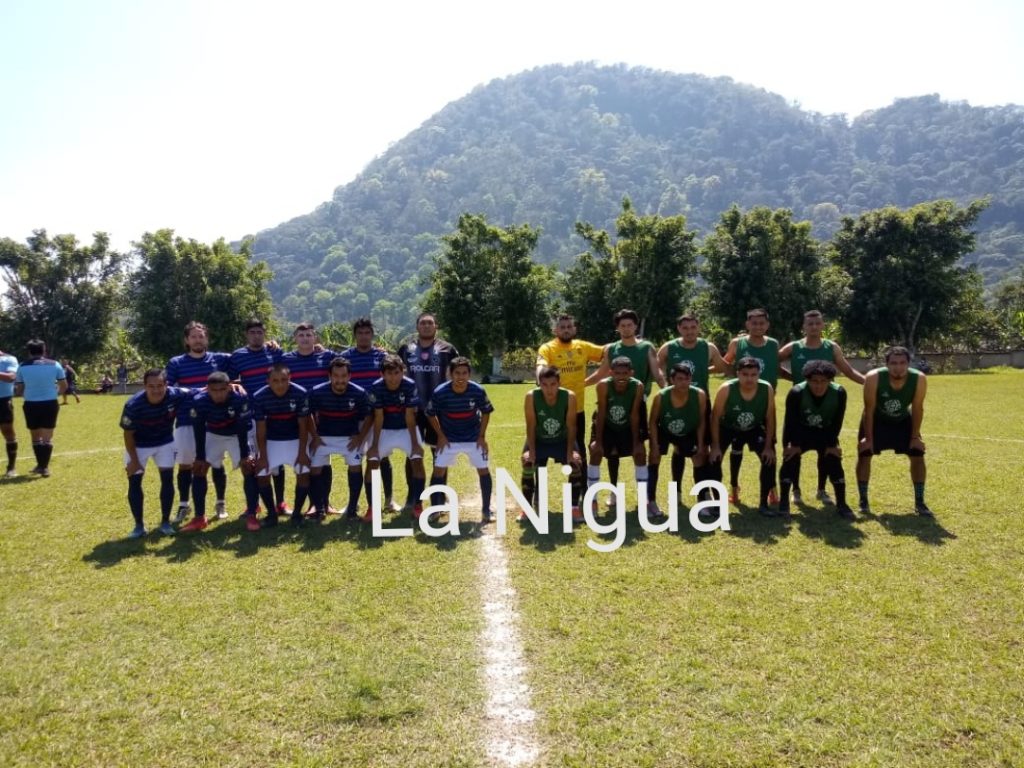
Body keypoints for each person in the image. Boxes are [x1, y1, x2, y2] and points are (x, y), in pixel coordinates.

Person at [779, 309, 865, 504]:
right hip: (800, 404)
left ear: (822, 325)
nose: (814, 327)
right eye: (810, 324)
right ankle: (796, 490)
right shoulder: (794, 347)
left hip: (825, 405)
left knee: (826, 449)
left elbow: (848, 370)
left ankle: (822, 489)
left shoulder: (831, 347)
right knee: (793, 449)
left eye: (817, 323)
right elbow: (770, 362)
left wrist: (869, 382)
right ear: (804, 326)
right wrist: (790, 377)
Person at [166, 321, 232, 522]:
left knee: (216, 463)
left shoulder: (220, 359)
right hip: (186, 420)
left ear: (207, 339)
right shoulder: (176, 363)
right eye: (193, 336)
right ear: (186, 340)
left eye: (201, 336)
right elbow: (168, 389)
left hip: (214, 422)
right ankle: (183, 505)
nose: (197, 340)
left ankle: (220, 503)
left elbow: (246, 356)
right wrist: (193, 391)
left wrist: (271, 345)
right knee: (186, 464)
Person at [656, 313, 729, 493]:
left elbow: (722, 366)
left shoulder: (708, 347)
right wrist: (666, 386)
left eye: (693, 327)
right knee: (678, 447)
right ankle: (677, 491)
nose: (689, 331)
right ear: (679, 329)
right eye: (685, 328)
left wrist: (705, 370)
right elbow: (657, 367)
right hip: (675, 402)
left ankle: (704, 492)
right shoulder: (669, 347)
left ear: (698, 327)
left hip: (700, 402)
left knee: (702, 448)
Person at [856, 346, 932, 517]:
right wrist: (868, 438)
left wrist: (915, 437)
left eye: (902, 363)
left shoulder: (919, 378)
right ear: (887, 364)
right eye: (894, 363)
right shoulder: (873, 378)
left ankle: (920, 502)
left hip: (903, 420)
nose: (898, 367)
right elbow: (868, 409)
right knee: (864, 454)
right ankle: (863, 501)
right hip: (876, 420)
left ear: (908, 364)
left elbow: (918, 408)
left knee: (918, 454)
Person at [119, 369, 193, 538]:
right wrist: (134, 461)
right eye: (151, 386)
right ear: (144, 386)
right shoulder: (133, 405)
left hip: (164, 442)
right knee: (134, 481)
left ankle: (165, 523)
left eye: (160, 385)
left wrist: (232, 385)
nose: (156, 390)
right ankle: (139, 526)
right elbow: (128, 435)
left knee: (167, 479)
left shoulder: (175, 394)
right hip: (139, 445)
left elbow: (197, 391)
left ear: (166, 385)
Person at [179, 371, 257, 533]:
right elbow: (199, 429)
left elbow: (242, 427)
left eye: (222, 390)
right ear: (207, 389)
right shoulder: (199, 401)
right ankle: (199, 518)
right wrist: (200, 456)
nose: (218, 394)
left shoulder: (240, 398)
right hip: (213, 434)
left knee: (249, 467)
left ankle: (252, 514)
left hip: (236, 434)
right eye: (214, 390)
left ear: (229, 387)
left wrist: (244, 455)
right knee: (199, 469)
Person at [778, 360, 854, 519]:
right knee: (790, 458)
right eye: (814, 381)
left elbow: (837, 422)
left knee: (833, 458)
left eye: (823, 381)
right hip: (800, 432)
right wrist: (791, 445)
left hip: (825, 432)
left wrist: (832, 444)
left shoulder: (839, 392)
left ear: (830, 380)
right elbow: (790, 422)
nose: (818, 385)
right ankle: (785, 501)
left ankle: (841, 503)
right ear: (807, 379)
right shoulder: (796, 392)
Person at [399, 312, 459, 506]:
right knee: (413, 454)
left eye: (430, 323)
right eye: (422, 323)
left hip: (439, 411)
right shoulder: (406, 349)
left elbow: (458, 375)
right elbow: (393, 371)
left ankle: (439, 495)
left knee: (439, 453)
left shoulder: (448, 349)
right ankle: (413, 496)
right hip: (413, 410)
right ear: (417, 326)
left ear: (436, 326)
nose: (426, 326)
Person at [425, 357, 495, 523]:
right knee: (438, 471)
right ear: (450, 374)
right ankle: (435, 508)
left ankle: (486, 510)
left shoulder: (477, 390)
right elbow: (430, 414)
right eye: (457, 373)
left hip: (473, 437)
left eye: (464, 373)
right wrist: (441, 436)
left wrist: (481, 437)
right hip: (449, 439)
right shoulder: (440, 392)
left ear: (469, 374)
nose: (461, 377)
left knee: (483, 470)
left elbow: (486, 412)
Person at [228, 319, 287, 515]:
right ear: (247, 335)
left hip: (274, 413)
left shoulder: (275, 352)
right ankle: (253, 505)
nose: (256, 336)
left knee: (276, 459)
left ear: (264, 333)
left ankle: (281, 503)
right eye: (252, 332)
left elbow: (285, 374)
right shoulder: (238, 356)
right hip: (250, 415)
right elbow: (231, 380)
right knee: (251, 460)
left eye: (259, 332)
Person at [722, 308, 779, 504]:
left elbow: (776, 368)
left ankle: (772, 489)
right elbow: (726, 364)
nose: (758, 326)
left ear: (767, 325)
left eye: (762, 323)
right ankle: (734, 488)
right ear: (747, 324)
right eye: (754, 323)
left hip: (764, 405)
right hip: (740, 402)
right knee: (736, 447)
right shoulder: (737, 343)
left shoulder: (773, 344)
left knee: (770, 448)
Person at [340, 317, 398, 512]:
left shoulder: (382, 356)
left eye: (367, 333)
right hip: (354, 416)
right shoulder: (345, 357)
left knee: (382, 457)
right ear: (355, 335)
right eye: (360, 333)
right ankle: (353, 502)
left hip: (379, 415)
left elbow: (394, 376)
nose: (364, 336)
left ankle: (389, 500)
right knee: (354, 460)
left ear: (372, 335)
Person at [709, 356, 777, 518]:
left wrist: (769, 447)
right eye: (745, 374)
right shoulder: (726, 389)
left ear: (759, 374)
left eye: (754, 375)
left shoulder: (766, 388)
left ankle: (763, 504)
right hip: (728, 428)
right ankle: (717, 504)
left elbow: (770, 418)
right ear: (737, 374)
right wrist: (715, 447)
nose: (749, 379)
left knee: (769, 459)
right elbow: (715, 418)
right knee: (714, 461)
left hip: (753, 428)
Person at [282, 322, 339, 514]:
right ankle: (313, 504)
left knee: (323, 459)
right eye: (301, 335)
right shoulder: (286, 359)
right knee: (304, 461)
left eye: (308, 335)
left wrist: (381, 351)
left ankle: (325, 503)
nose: (305, 339)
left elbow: (346, 361)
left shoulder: (327, 357)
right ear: (295, 338)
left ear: (315, 337)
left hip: (322, 416)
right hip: (296, 418)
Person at [307, 358, 373, 521]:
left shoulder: (359, 393)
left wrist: (360, 437)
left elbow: (369, 416)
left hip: (349, 438)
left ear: (349, 376)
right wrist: (314, 436)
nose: (340, 380)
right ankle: (319, 509)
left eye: (343, 376)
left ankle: (352, 509)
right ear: (329, 376)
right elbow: (307, 414)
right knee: (314, 470)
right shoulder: (316, 392)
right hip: (323, 438)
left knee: (355, 467)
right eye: (336, 376)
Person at [535, 314, 604, 463]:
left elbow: (608, 352)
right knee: (542, 452)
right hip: (552, 410)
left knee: (578, 451)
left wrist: (591, 379)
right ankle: (540, 479)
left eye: (569, 327)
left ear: (574, 329)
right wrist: (540, 378)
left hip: (577, 409)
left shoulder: (583, 347)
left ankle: (581, 479)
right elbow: (541, 366)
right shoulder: (547, 348)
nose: (566, 330)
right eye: (562, 327)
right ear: (555, 330)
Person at [365, 354, 426, 520]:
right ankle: (372, 508)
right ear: (382, 374)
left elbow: (410, 416)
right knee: (372, 462)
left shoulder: (409, 385)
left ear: (403, 372)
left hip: (406, 429)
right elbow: (378, 417)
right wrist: (374, 446)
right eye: (389, 374)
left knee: (417, 460)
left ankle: (418, 505)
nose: (393, 378)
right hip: (384, 429)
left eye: (397, 373)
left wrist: (415, 443)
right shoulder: (376, 387)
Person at [251, 363, 311, 528]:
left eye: (284, 380)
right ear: (268, 381)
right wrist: (263, 456)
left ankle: (297, 514)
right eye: (275, 381)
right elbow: (261, 429)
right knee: (262, 474)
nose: (280, 384)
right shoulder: (259, 396)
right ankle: (272, 514)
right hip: (271, 440)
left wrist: (302, 452)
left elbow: (303, 425)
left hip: (295, 439)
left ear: (290, 378)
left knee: (303, 473)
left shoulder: (300, 393)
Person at [586, 356, 648, 514]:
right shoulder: (603, 386)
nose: (621, 377)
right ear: (611, 373)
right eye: (617, 373)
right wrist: (598, 441)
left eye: (625, 373)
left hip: (627, 426)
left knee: (640, 454)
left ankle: (644, 500)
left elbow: (635, 415)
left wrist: (637, 443)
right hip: (607, 426)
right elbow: (601, 413)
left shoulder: (638, 386)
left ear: (631, 373)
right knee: (596, 451)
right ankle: (592, 500)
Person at [521, 366, 584, 521]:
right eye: (544, 385)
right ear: (539, 384)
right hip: (539, 440)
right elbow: (531, 425)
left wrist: (570, 453)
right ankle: (527, 508)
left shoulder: (569, 396)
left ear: (559, 383)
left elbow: (571, 426)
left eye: (553, 384)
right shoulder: (531, 396)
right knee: (527, 462)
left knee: (576, 463)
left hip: (562, 440)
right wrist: (532, 452)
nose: (549, 389)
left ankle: (574, 508)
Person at [647, 361, 708, 520]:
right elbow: (652, 422)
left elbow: (702, 421)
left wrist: (701, 444)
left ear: (691, 379)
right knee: (654, 458)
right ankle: (650, 502)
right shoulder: (661, 397)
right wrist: (654, 446)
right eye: (679, 379)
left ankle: (702, 501)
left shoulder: (699, 395)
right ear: (672, 380)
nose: (683, 382)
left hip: (688, 431)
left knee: (699, 458)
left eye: (687, 379)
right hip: (665, 430)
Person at [13, 340, 66, 478]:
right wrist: (56, 393)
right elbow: (64, 385)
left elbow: (19, 389)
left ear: (29, 351)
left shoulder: (22, 366)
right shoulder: (55, 364)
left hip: (31, 404)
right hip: (50, 403)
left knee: (35, 437)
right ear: (44, 350)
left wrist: (25, 393)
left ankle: (41, 466)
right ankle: (44, 467)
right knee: (47, 437)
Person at [0, 347, 18, 478]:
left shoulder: (9, 359)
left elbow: (11, 377)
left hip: (3, 400)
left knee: (8, 432)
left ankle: (11, 467)